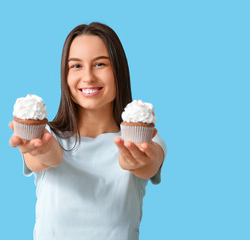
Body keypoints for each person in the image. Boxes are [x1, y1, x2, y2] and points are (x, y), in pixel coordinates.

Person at [9, 22, 167, 240]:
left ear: (119, 70)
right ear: (65, 75)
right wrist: (43, 150)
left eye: (100, 64)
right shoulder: (45, 136)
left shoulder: (144, 139)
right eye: (76, 66)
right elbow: (48, 157)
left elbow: (150, 163)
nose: (88, 77)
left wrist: (137, 161)